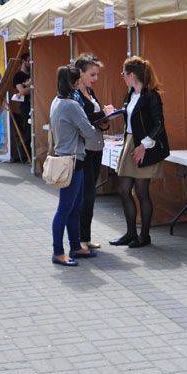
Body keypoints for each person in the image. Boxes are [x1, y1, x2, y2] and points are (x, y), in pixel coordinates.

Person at [109, 56, 170, 249]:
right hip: (130, 142)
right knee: (123, 189)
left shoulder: (151, 95)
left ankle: (144, 236)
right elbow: (132, 117)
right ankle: (130, 233)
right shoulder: (130, 94)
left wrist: (144, 145)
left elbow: (159, 123)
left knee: (142, 191)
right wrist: (116, 112)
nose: (122, 77)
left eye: (123, 74)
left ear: (132, 75)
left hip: (145, 146)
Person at [50, 65, 100, 267]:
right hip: (72, 160)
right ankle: (58, 252)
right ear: (74, 82)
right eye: (78, 79)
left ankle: (75, 246)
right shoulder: (71, 104)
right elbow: (89, 131)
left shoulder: (57, 100)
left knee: (74, 208)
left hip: (67, 157)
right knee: (65, 209)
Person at [72, 55, 113, 253]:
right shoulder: (74, 95)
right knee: (84, 195)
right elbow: (81, 120)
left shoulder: (89, 91)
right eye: (92, 74)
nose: (95, 78)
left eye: (97, 74)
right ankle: (79, 240)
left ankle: (85, 238)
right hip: (84, 150)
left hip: (96, 147)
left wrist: (106, 118)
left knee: (90, 194)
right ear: (80, 72)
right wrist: (102, 115)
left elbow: (96, 121)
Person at [11, 52, 32, 162]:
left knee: (31, 131)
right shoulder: (18, 76)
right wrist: (33, 86)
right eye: (29, 60)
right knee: (27, 131)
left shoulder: (32, 74)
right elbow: (22, 91)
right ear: (23, 61)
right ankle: (24, 156)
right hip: (25, 107)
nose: (30, 62)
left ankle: (28, 155)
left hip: (33, 105)